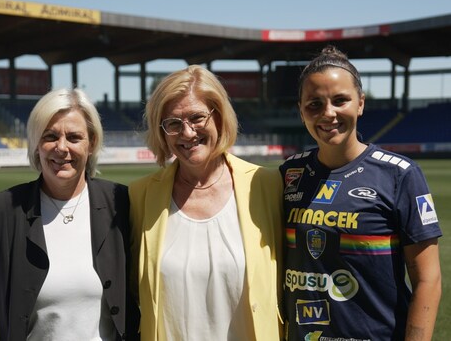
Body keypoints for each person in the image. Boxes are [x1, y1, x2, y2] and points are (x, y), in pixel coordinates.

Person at [280, 45, 442, 340]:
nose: (328, 113)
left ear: (360, 104)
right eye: (314, 104)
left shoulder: (400, 174)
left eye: (340, 100)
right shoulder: (288, 173)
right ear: (301, 110)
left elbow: (428, 280)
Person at [129, 65, 284, 340]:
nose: (187, 133)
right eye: (173, 124)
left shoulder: (266, 185)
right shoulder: (139, 196)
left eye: (197, 117)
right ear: (162, 131)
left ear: (219, 119)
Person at [0, 88, 139, 340]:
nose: (61, 147)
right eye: (50, 136)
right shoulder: (4, 210)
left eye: (74, 137)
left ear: (91, 143)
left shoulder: (121, 203)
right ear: (36, 144)